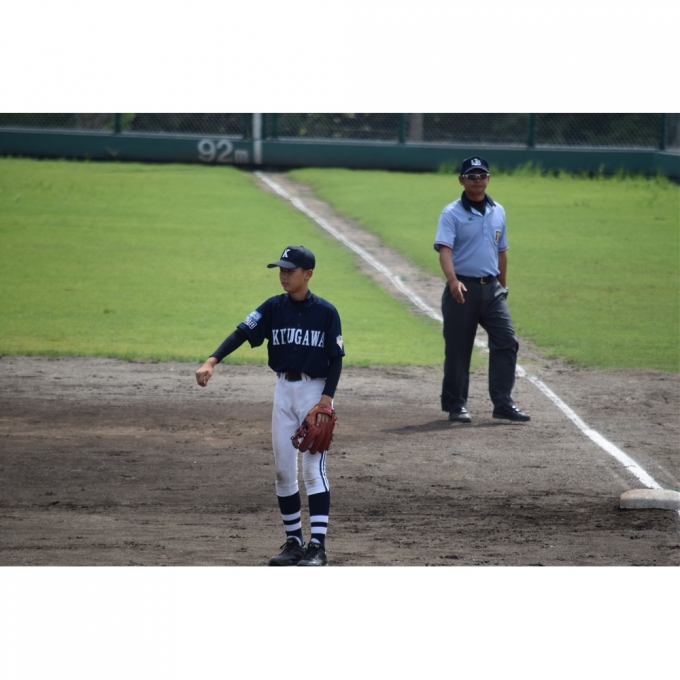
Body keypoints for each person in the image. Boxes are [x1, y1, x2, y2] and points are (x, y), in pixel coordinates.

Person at [195, 245, 344, 566]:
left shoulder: (326, 312)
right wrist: (212, 361)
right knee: (283, 470)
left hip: (315, 393)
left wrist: (325, 401)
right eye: (281, 270)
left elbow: (336, 359)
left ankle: (318, 547)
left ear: (308, 274)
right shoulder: (273, 307)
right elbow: (241, 332)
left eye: (290, 271)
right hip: (283, 391)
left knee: (313, 470)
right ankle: (294, 543)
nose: (284, 276)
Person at [433, 156, 530, 423]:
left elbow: (502, 252)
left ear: (488, 179)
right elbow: (445, 251)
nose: (477, 180)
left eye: (482, 175)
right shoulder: (451, 213)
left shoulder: (498, 210)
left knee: (506, 341)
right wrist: (453, 281)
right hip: (462, 289)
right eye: (472, 176)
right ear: (461, 180)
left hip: (492, 290)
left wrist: (503, 286)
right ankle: (456, 404)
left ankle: (503, 403)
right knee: (458, 348)